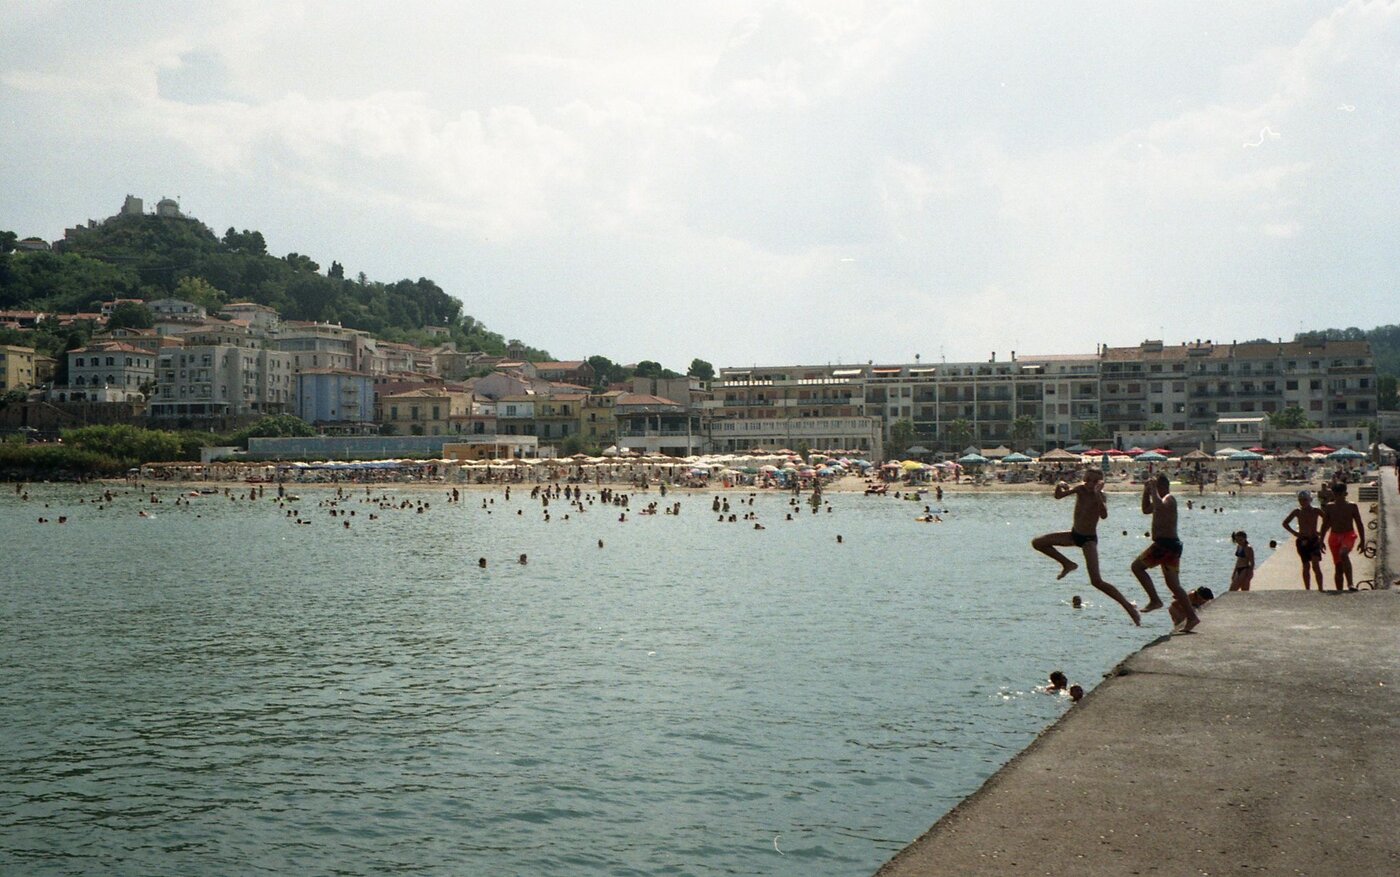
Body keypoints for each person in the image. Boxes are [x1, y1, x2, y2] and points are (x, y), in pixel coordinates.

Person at [1032, 467, 1141, 625]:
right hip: (1073, 535)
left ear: (1100, 483)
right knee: (1038, 542)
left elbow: (1103, 515)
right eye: (1088, 480)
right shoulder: (1080, 490)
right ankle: (1067, 564)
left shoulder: (1100, 496)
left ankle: (1128, 607)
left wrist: (1097, 494)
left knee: (1096, 581)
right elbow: (1059, 496)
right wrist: (1059, 486)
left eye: (1094, 481)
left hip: (1088, 540)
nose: (1090, 484)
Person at [1132, 474, 1199, 631]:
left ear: (1163, 487)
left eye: (1156, 487)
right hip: (1170, 546)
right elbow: (1145, 509)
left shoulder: (1169, 498)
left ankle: (1155, 600)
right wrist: (1145, 491)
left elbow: (1160, 506)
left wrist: (1153, 490)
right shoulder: (1158, 500)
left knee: (1136, 567)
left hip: (1165, 545)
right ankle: (1192, 617)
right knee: (1174, 585)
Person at [1319, 481, 1366, 591]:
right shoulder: (1329, 507)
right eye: (1336, 494)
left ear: (1345, 494)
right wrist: (1321, 540)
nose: (1339, 497)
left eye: (1341, 494)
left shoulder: (1352, 506)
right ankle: (1339, 591)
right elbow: (1325, 525)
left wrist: (1363, 541)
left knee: (1343, 554)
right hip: (1334, 537)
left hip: (1348, 535)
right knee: (1338, 567)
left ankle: (1350, 584)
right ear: (1333, 495)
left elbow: (1359, 523)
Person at [1282, 490, 1325, 590]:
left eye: (1305, 500)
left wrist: (1321, 532)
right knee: (1306, 566)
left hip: (1314, 540)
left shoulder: (1316, 511)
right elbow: (1285, 523)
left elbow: (1327, 520)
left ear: (1310, 500)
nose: (1303, 502)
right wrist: (1295, 533)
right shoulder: (1297, 511)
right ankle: (1307, 589)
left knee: (1315, 565)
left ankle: (1320, 588)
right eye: (1300, 500)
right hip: (1303, 540)